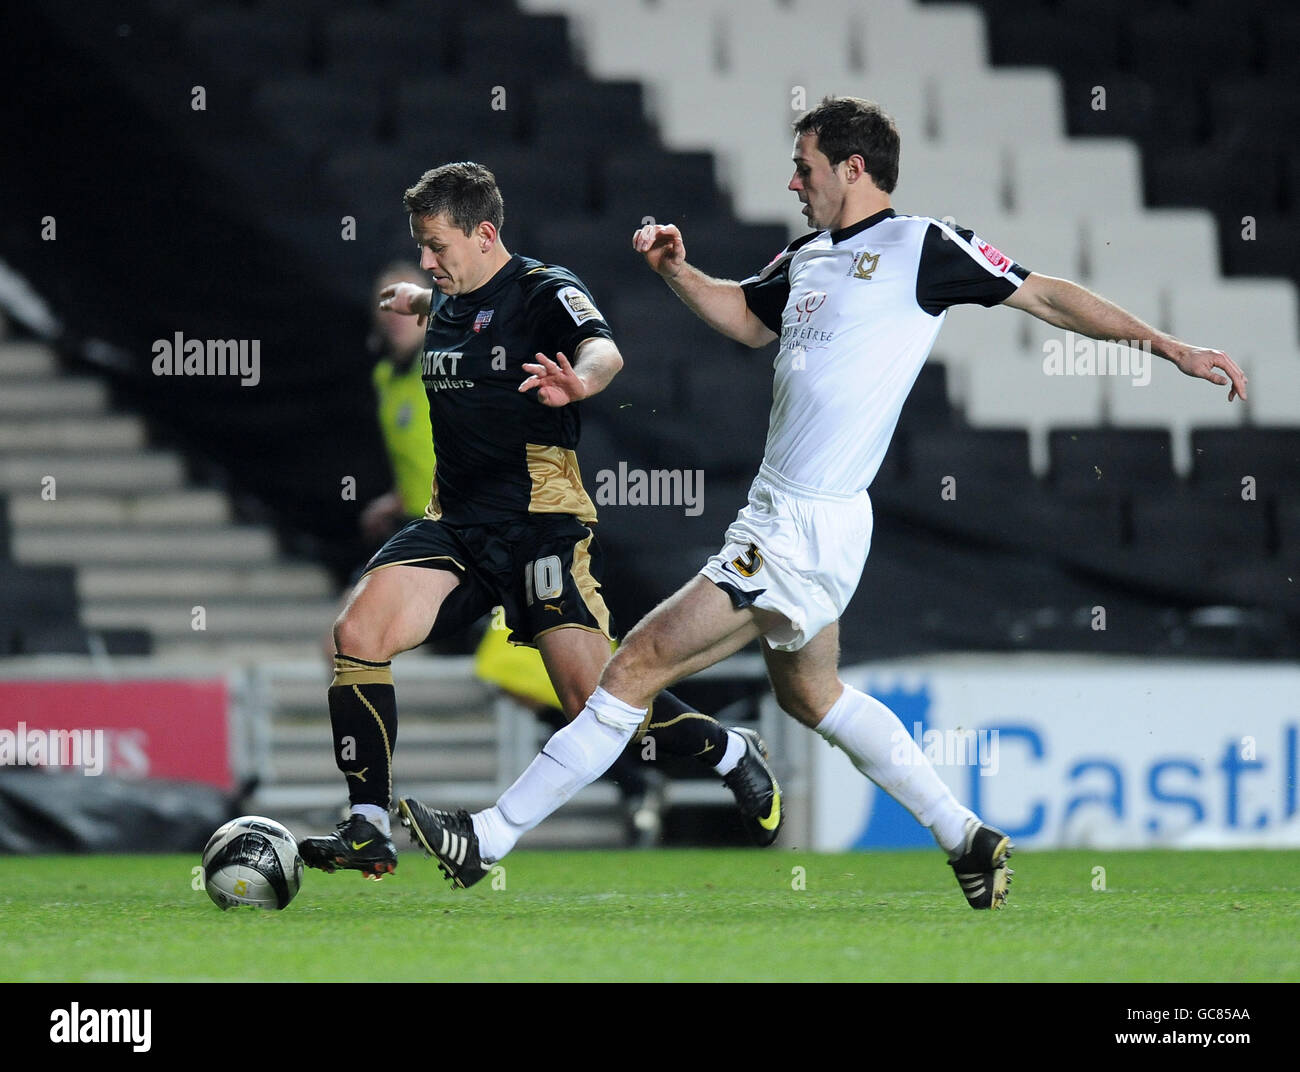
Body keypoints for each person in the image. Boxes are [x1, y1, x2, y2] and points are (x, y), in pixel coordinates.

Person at [398, 98, 1248, 907]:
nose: (793, 183)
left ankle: (489, 837)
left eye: (804, 168)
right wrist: (674, 270)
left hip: (803, 521)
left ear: (853, 166)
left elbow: (1045, 293)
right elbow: (743, 318)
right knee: (813, 697)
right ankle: (966, 836)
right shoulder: (805, 258)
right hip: (802, 516)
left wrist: (1167, 346)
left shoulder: (924, 246)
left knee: (633, 666)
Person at [298, 161, 782, 880]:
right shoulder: (452, 297)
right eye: (422, 250)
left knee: (596, 702)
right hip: (457, 526)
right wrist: (419, 296)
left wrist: (581, 380)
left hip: (539, 525)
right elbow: (462, 315)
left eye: (437, 247)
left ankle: (729, 750)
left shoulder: (544, 288)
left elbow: (603, 347)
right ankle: (369, 823)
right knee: (356, 633)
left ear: (485, 233)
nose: (429, 261)